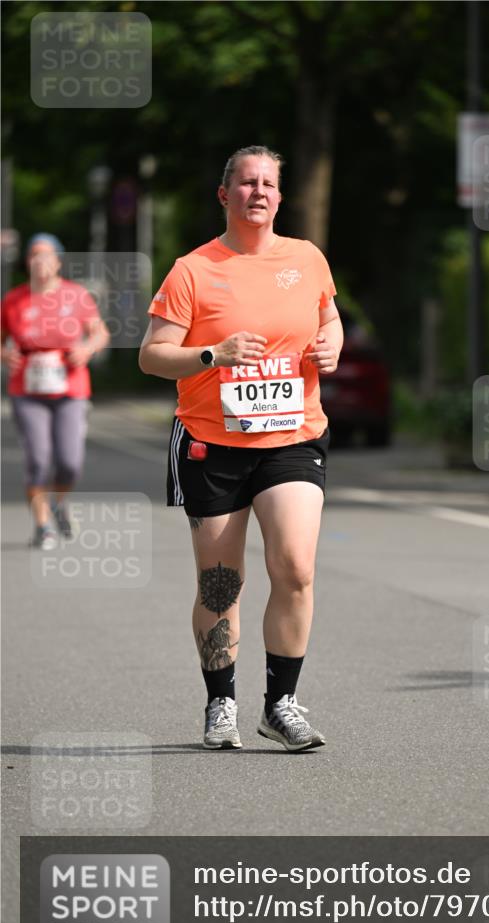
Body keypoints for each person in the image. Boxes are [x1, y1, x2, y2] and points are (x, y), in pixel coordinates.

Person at [139, 145, 342, 753]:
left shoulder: (306, 259)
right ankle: (221, 700)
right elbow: (152, 356)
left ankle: (281, 704)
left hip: (292, 436)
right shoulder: (193, 270)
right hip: (213, 442)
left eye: (269, 184)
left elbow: (327, 318)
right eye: (246, 183)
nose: (258, 192)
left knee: (296, 568)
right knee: (222, 586)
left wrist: (331, 346)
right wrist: (213, 355)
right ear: (225, 195)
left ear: (280, 197)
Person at [1, 233, 110, 549]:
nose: (40, 261)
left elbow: (100, 332)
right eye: (34, 255)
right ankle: (42, 525)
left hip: (70, 386)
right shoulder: (14, 300)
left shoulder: (76, 296)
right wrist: (3, 353)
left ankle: (59, 502)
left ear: (59, 261)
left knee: (69, 462)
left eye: (47, 255)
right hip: (27, 388)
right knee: (38, 458)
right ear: (27, 261)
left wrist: (87, 349)